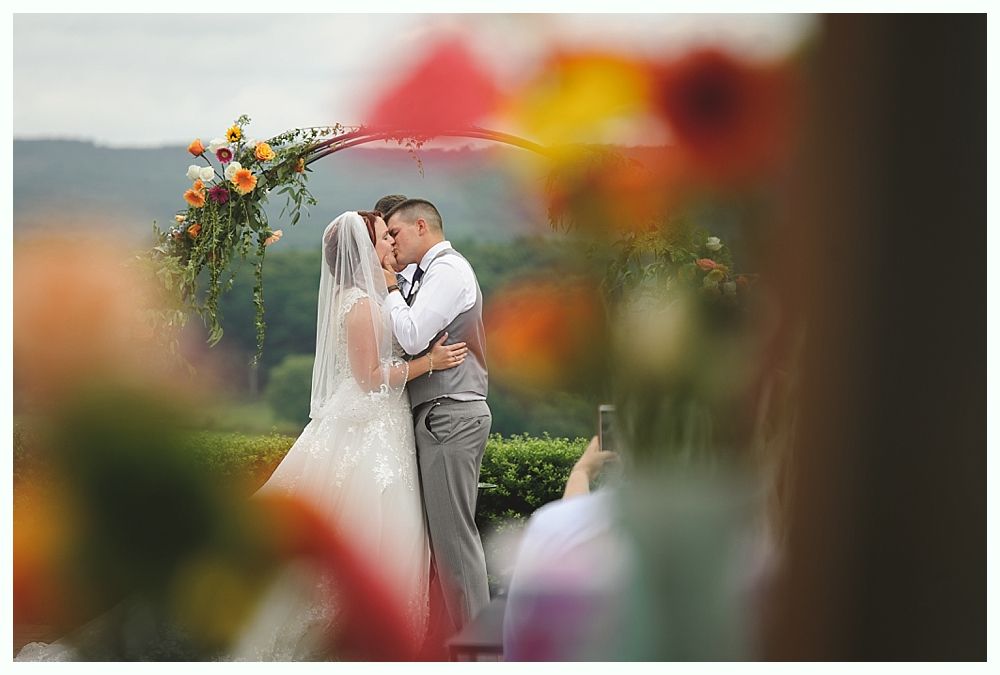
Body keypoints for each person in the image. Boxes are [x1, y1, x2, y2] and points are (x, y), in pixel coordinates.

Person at [379, 198, 493, 645]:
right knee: (441, 549)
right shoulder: (429, 274)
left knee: (455, 547)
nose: (391, 242)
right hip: (439, 414)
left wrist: (389, 287)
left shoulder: (447, 271)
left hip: (450, 414)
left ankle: (481, 654)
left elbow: (410, 334)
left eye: (396, 233)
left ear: (421, 226)